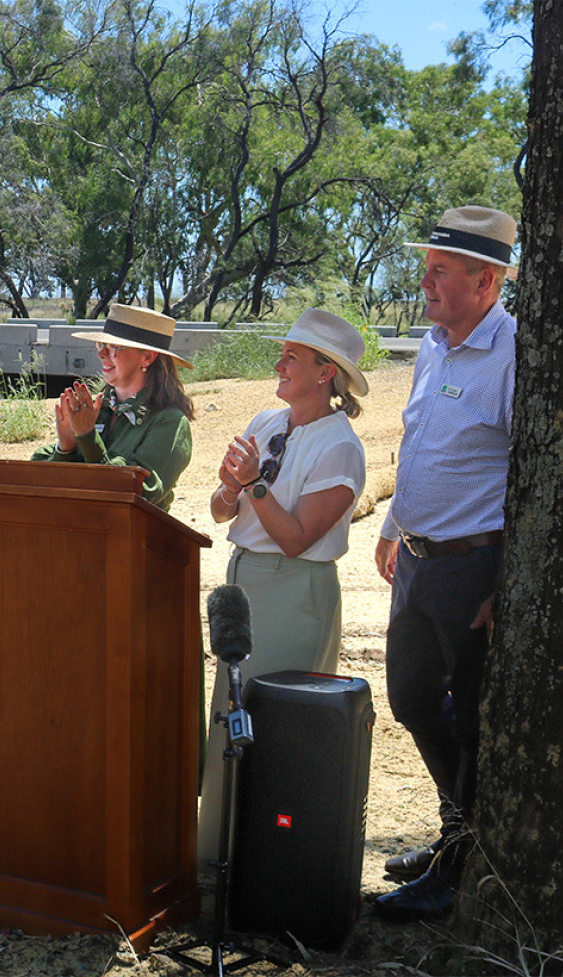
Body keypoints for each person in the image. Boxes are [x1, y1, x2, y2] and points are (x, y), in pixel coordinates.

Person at [372, 206, 517, 922]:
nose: (424, 280)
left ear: (485, 280)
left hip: (471, 568)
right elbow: (423, 441)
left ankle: (455, 866)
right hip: (419, 561)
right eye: (426, 266)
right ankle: (453, 830)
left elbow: (531, 477)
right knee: (411, 698)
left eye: (440, 270)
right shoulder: (432, 346)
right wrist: (395, 524)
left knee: (468, 724)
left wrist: (506, 587)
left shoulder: (515, 352)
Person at [196, 308, 368, 862]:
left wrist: (253, 486)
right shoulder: (267, 422)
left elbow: (296, 540)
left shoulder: (340, 447)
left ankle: (265, 864)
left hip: (295, 592)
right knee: (231, 717)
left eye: (291, 355)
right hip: (244, 581)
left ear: (325, 372)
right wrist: (228, 490)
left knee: (273, 727)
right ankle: (216, 857)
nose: (279, 363)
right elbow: (224, 513)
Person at [30, 304, 193, 511]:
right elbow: (39, 472)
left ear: (147, 357)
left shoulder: (169, 422)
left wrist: (88, 438)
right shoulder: (99, 409)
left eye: (115, 347)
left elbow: (137, 494)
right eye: (101, 345)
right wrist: (66, 448)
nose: (102, 354)